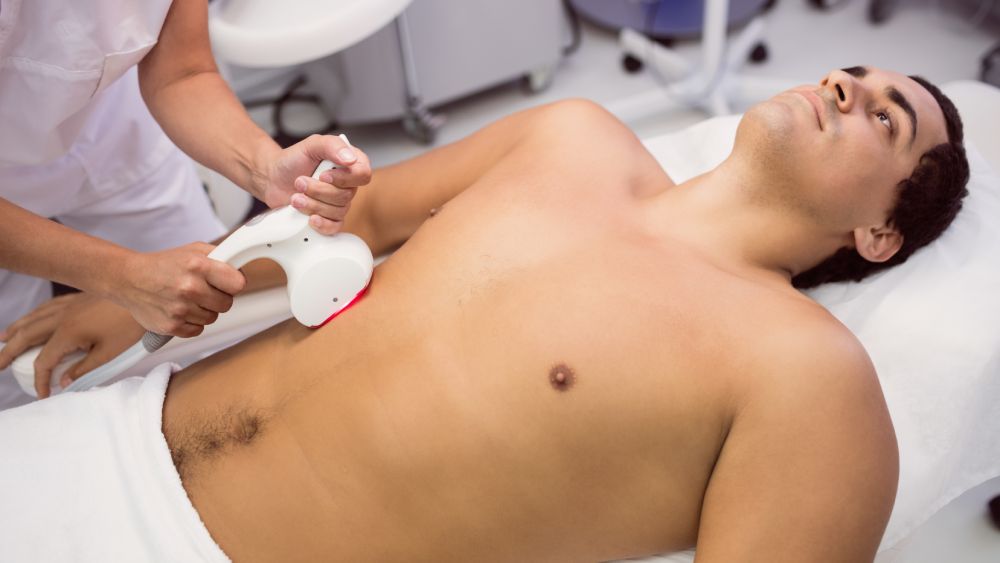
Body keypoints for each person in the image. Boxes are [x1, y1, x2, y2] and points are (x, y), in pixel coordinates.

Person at [0, 66, 969, 562]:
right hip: (111, 429)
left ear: (878, 232)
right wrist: (154, 293)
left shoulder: (806, 373)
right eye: (852, 74)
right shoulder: (571, 137)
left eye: (886, 117)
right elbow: (361, 213)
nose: (846, 85)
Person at [0, 0, 371, 408]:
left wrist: (267, 169)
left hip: (112, 134)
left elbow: (182, 73)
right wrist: (118, 276)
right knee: (19, 385)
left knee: (206, 339)